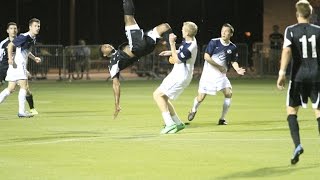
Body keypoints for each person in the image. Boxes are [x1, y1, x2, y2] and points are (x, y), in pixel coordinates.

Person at [100, 0, 172, 119]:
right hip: (138, 47)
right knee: (128, 18)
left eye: (106, 44)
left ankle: (172, 51)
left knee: (165, 27)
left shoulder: (118, 51)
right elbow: (116, 84)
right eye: (104, 47)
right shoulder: (112, 64)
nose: (107, 45)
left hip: (145, 45)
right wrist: (117, 104)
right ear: (104, 55)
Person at [277, 0, 320, 165]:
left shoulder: (290, 30)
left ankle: (297, 145)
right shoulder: (318, 31)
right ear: (311, 14)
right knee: (319, 113)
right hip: (317, 76)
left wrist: (282, 73)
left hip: (298, 77)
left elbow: (287, 50)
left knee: (291, 112)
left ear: (297, 14)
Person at [187, 23, 245, 125]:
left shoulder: (233, 47)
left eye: (226, 31)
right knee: (200, 98)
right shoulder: (214, 42)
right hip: (208, 76)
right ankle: (193, 110)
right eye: (223, 30)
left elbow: (233, 61)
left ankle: (222, 119)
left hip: (221, 77)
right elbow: (206, 57)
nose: (223, 32)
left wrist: (237, 69)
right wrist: (219, 66)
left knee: (228, 93)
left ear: (231, 34)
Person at [153, 21, 198, 134]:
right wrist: (170, 52)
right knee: (163, 97)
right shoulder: (189, 40)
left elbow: (177, 60)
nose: (181, 30)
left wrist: (172, 44)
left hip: (180, 76)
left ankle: (170, 124)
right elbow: (181, 53)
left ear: (187, 33)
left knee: (157, 95)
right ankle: (177, 123)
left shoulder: (190, 47)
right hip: (178, 74)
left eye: (183, 29)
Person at [0, 18, 41, 117]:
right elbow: (10, 45)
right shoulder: (24, 36)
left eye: (38, 26)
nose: (37, 28)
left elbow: (25, 51)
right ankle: (21, 112)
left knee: (10, 88)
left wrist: (34, 58)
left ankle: (22, 111)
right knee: (24, 87)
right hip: (18, 65)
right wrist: (10, 59)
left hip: (15, 66)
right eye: (35, 26)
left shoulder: (32, 38)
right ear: (30, 27)